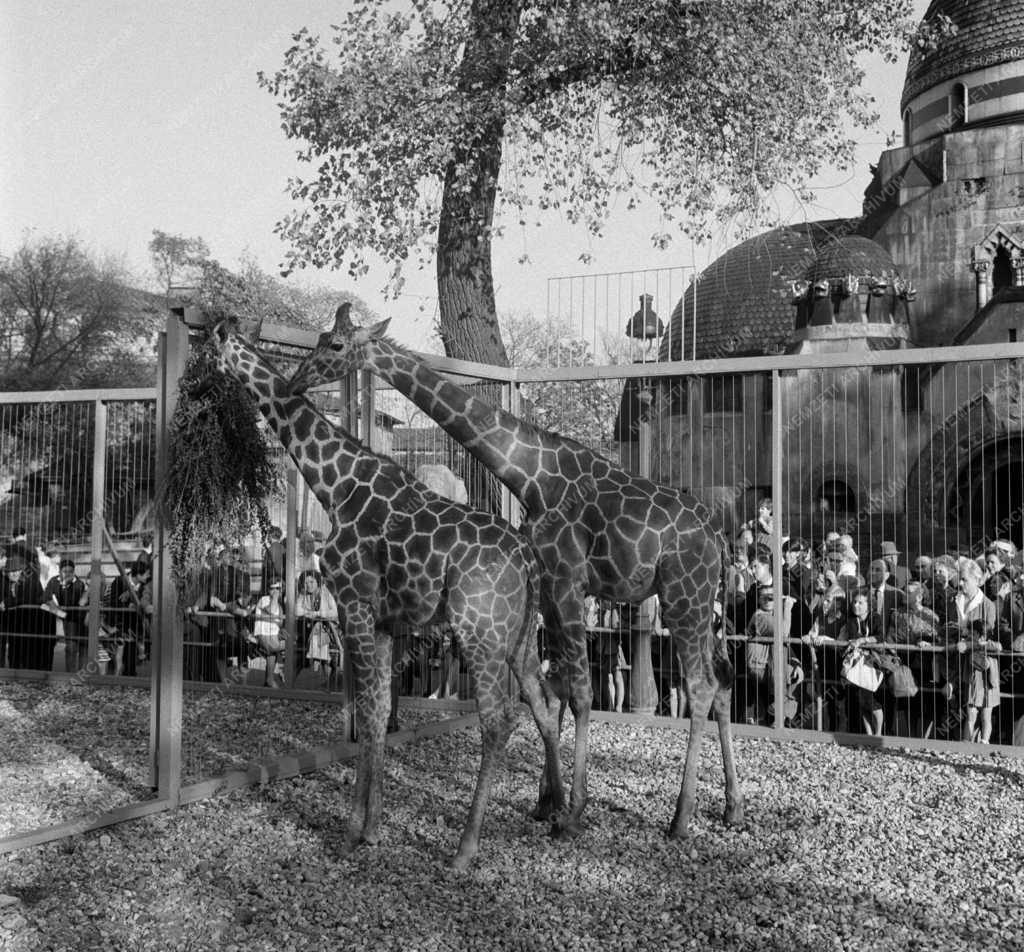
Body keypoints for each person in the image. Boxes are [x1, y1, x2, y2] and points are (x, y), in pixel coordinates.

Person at [953, 559, 999, 744]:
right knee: (969, 709)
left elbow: (989, 638)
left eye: (965, 580)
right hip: (961, 663)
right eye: (960, 579)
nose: (961, 583)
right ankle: (966, 746)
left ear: (977, 579)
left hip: (983, 664)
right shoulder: (955, 600)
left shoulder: (988, 605)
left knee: (984, 711)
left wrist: (969, 643)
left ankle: (983, 746)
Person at [840, 590, 885, 735]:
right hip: (856, 664)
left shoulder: (875, 617)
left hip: (872, 663)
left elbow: (880, 636)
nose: (856, 605)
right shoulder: (852, 620)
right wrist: (860, 640)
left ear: (869, 605)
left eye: (861, 602)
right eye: (854, 602)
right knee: (860, 700)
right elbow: (853, 636)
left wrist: (863, 640)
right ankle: (868, 734)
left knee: (871, 701)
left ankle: (878, 734)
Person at [295, 569, 341, 688]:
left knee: (320, 631)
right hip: (312, 629)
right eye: (305, 583)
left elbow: (335, 612)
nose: (308, 585)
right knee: (317, 630)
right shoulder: (303, 594)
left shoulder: (326, 592)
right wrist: (308, 613)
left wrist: (316, 614)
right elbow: (297, 610)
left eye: (311, 582)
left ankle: (322, 669)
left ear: (318, 582)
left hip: (332, 628)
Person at [43, 557, 89, 674]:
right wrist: (55, 608)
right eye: (65, 571)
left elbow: (72, 602)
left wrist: (64, 586)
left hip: (81, 618)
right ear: (59, 571)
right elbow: (46, 597)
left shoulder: (78, 583)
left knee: (83, 647)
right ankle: (70, 674)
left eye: (70, 571)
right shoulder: (54, 581)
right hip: (69, 619)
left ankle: (81, 674)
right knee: (71, 648)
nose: (68, 574)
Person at [252, 578, 287, 688]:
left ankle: (269, 680)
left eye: (278, 588)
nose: (276, 591)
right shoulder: (265, 599)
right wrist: (275, 597)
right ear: (268, 590)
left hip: (273, 636)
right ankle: (285, 671)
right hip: (265, 637)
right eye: (273, 588)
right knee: (294, 645)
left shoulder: (280, 604)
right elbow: (271, 611)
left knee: (271, 655)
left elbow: (279, 623)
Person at [867, 558, 905, 639]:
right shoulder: (856, 593)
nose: (872, 573)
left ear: (887, 575)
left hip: (887, 645)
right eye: (871, 569)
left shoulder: (898, 595)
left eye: (878, 570)